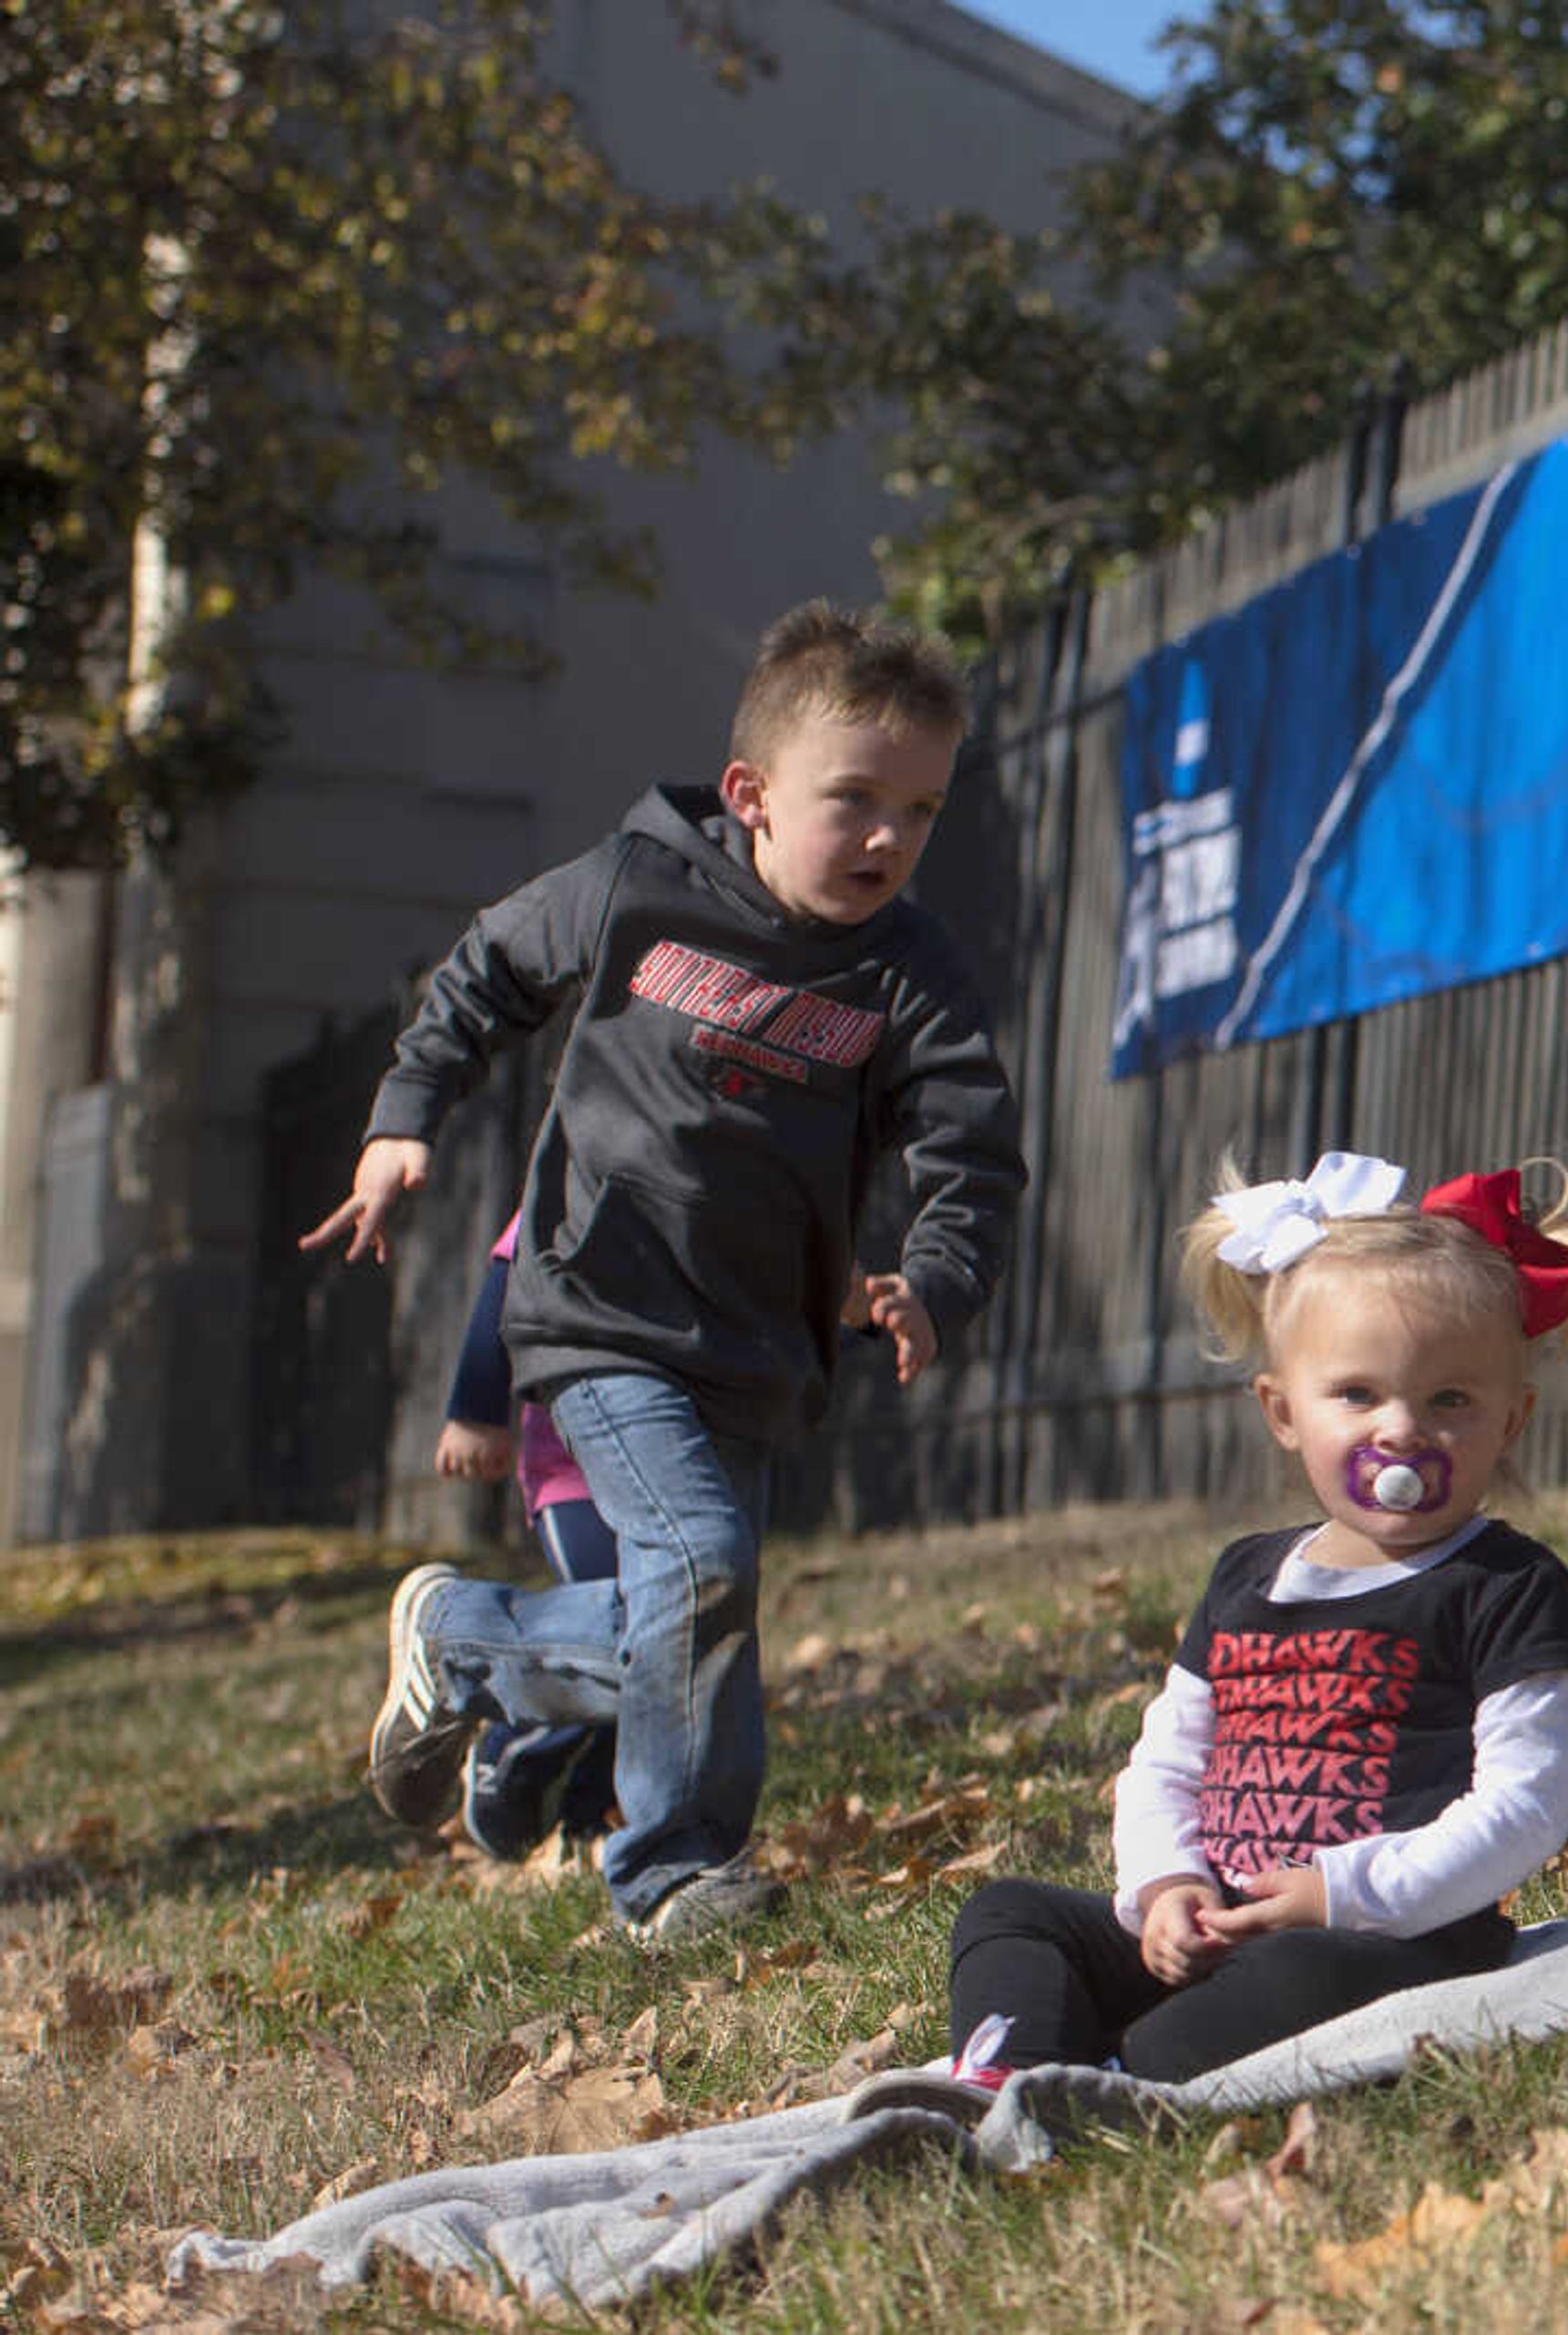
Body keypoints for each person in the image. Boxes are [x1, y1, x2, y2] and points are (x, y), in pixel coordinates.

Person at [303, 599, 1026, 1943]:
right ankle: (673, 1868)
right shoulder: (639, 880)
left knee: (695, 1606)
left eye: (920, 810)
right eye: (854, 799)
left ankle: (470, 1642)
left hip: (759, 1346)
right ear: (750, 794)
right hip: (602, 1310)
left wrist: (936, 1276)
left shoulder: (908, 973)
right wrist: (404, 1117)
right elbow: (485, 972)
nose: (888, 837)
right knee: (698, 1565)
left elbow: (970, 1149)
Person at [915, 1152, 1568, 2099]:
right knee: (1011, 1911)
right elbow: (1166, 1762)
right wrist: (1167, 1888)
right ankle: (1004, 2078)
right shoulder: (1249, 1577)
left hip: (1384, 1939)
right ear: (1284, 1412)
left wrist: (1341, 1894)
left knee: (1300, 1978)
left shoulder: (1507, 1585)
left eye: (1450, 1399)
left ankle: (1115, 2082)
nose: (1403, 1428)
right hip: (1214, 1919)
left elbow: (1523, 1808)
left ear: (1511, 1420)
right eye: (1358, 1394)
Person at [433, 1213, 619, 1862]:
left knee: (679, 1637)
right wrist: (476, 1408)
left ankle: (591, 1814)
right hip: (574, 1467)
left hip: (682, 1456)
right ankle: (509, 1751)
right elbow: (511, 1273)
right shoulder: (588, 1144)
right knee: (626, 1625)